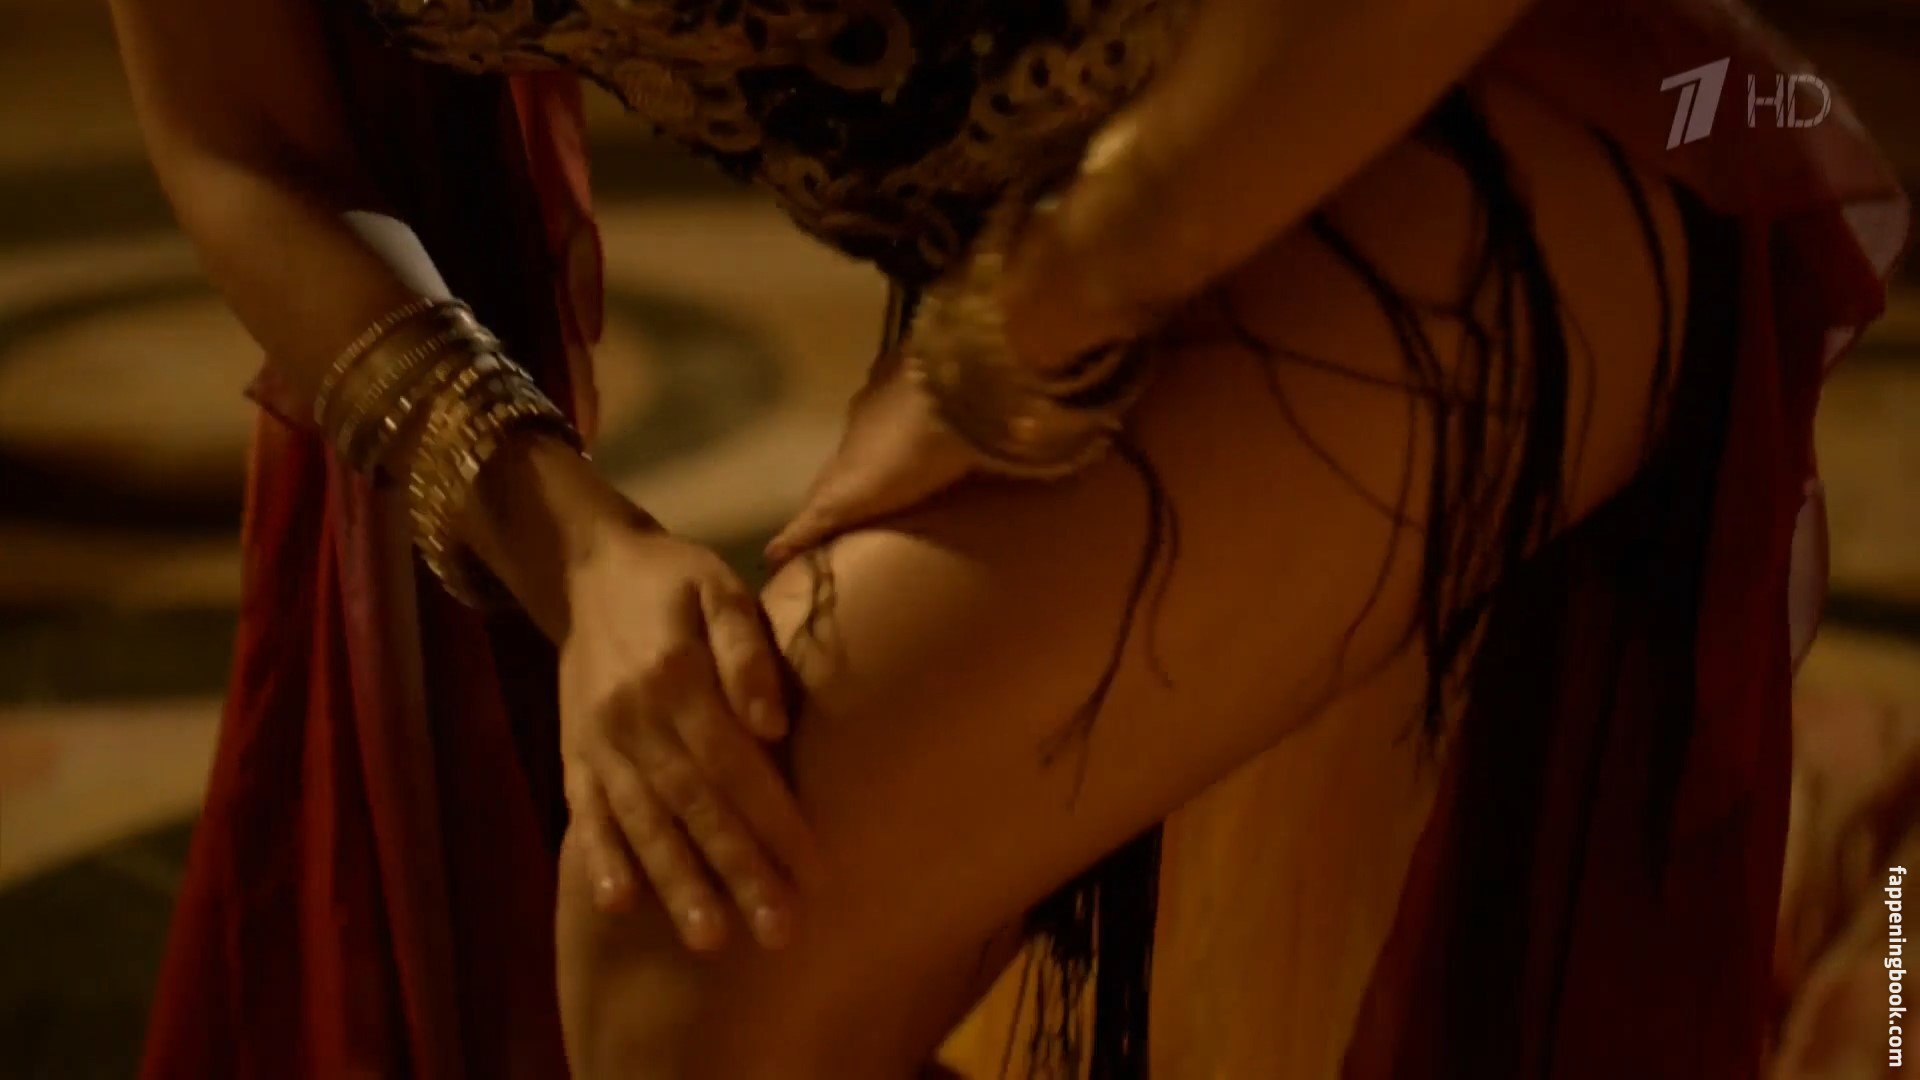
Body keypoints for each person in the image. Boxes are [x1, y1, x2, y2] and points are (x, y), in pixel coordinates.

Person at [108, 0, 1906, 1075]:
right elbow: (243, 145)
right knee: (734, 913)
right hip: (1058, 238)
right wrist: (567, 543)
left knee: (692, 948)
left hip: (1422, 96)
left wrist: (1022, 329)